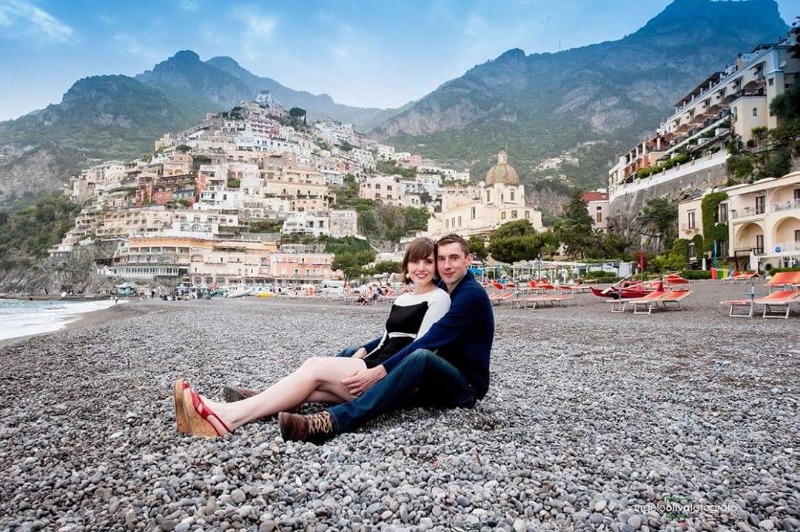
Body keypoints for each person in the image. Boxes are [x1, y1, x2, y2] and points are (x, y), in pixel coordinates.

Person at [175, 237, 451, 437]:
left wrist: (375, 372)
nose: (421, 267)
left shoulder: (439, 298)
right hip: (371, 365)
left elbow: (419, 347)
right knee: (309, 387)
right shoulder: (404, 298)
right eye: (415, 261)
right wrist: (363, 353)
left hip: (387, 377)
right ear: (406, 266)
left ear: (436, 267)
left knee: (314, 366)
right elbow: (388, 338)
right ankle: (228, 413)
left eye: (428, 261)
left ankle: (226, 417)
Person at [277, 233, 494, 442]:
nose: (447, 265)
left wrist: (378, 372)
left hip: (464, 387)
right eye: (441, 259)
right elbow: (397, 335)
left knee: (421, 356)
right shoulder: (442, 287)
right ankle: (286, 394)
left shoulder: (470, 295)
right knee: (352, 352)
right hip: (434, 375)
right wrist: (364, 349)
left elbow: (428, 341)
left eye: (454, 258)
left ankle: (333, 421)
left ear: (469, 260)